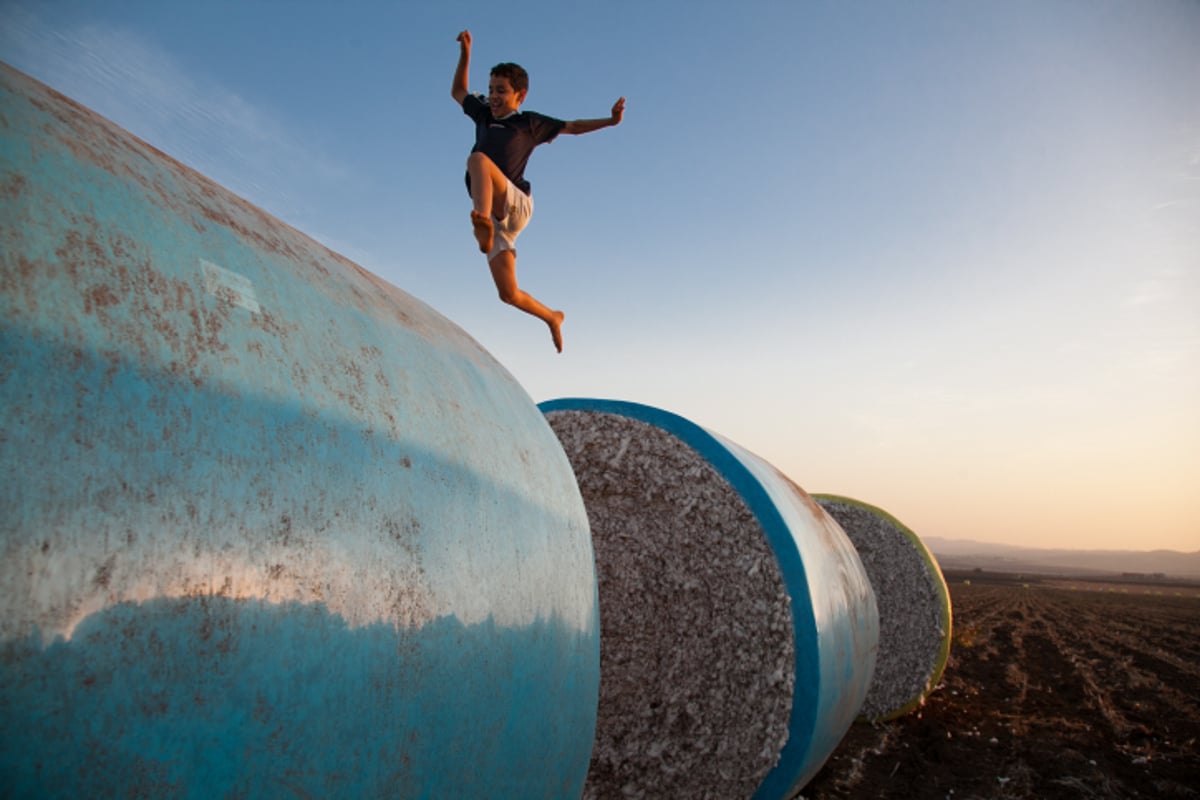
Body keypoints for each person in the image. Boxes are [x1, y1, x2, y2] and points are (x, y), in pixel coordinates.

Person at [452, 30, 624, 353]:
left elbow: (572, 126)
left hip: (515, 204)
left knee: (478, 160)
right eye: (490, 90)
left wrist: (610, 121)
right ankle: (552, 317)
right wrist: (466, 53)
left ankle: (481, 224)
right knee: (508, 293)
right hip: (500, 219)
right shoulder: (483, 114)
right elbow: (459, 90)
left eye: (501, 91)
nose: (493, 97)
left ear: (521, 95)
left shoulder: (529, 123)